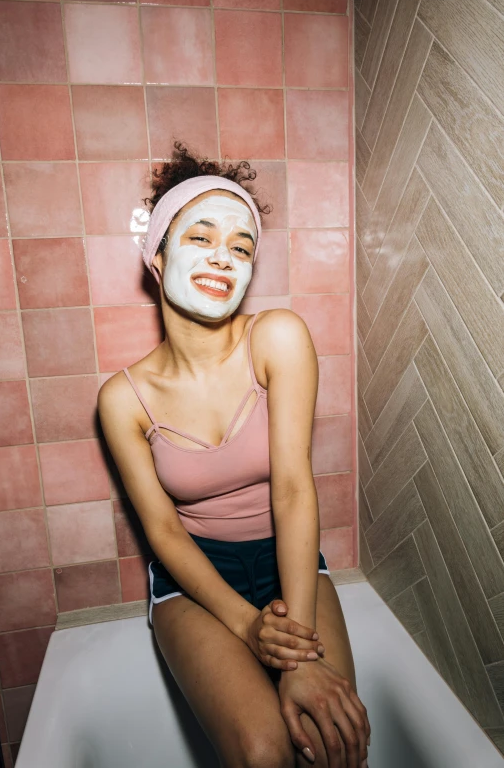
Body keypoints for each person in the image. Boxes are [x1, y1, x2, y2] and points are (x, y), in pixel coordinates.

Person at [98, 143, 371, 768]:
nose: (224, 254)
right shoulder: (123, 400)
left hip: (289, 561)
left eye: (242, 246)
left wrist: (296, 657)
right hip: (194, 582)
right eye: (201, 236)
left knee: (329, 744)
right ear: (157, 257)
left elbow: (295, 491)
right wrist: (249, 627)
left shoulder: (278, 337)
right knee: (260, 752)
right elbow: (163, 530)